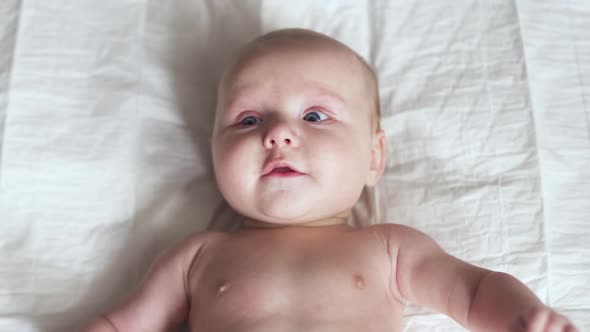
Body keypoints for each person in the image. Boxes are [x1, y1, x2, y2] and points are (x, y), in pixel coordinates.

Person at [82, 28, 578, 332]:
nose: (279, 133)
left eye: (315, 116)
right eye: (249, 120)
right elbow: (124, 324)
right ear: (213, 149)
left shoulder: (389, 249)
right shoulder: (198, 257)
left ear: (373, 157)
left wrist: (520, 320)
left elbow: (472, 291)